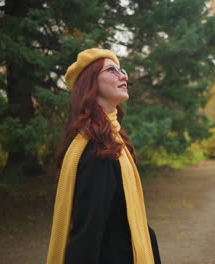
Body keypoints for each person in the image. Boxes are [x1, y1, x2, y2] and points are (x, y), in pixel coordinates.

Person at [46, 48, 161, 264]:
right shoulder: (97, 150)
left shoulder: (113, 140)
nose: (123, 76)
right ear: (91, 84)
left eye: (122, 70)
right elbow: (87, 233)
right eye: (111, 70)